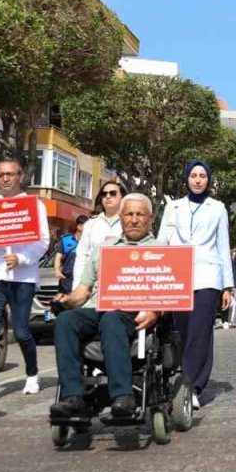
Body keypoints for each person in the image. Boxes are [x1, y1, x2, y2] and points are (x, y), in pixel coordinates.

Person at [50, 194, 161, 419]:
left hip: (133, 312)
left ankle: (123, 396)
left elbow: (172, 293)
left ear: (150, 220)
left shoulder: (162, 250)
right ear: (121, 218)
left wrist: (156, 311)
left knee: (112, 318)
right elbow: (83, 291)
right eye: (129, 214)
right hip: (98, 307)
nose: (134, 219)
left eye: (140, 214)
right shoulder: (104, 249)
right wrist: (66, 301)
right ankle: (73, 396)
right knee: (65, 320)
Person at [157, 160, 233, 409]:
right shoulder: (173, 206)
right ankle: (180, 379)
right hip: (177, 275)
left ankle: (192, 386)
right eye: (193, 175)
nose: (198, 180)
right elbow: (162, 240)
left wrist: (227, 286)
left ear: (208, 180)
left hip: (208, 277)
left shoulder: (218, 208)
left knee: (200, 331)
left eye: (202, 176)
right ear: (186, 178)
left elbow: (223, 246)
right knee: (182, 332)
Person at [0, 158, 49, 397]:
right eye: (1, 175)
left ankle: (32, 374)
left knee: (21, 332)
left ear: (20, 177)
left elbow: (43, 242)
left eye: (11, 174)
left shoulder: (33, 205)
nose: (6, 179)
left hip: (22, 279)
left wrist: (21, 258)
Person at [74, 179, 125, 290]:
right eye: (104, 194)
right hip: (93, 287)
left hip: (121, 285)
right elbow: (81, 257)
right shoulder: (91, 224)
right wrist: (77, 287)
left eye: (113, 193)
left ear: (122, 197)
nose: (107, 196)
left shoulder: (129, 224)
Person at [55, 215, 87, 294]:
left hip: (83, 277)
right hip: (67, 278)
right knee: (65, 302)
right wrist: (57, 270)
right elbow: (58, 257)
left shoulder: (89, 241)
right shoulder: (66, 240)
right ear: (79, 226)